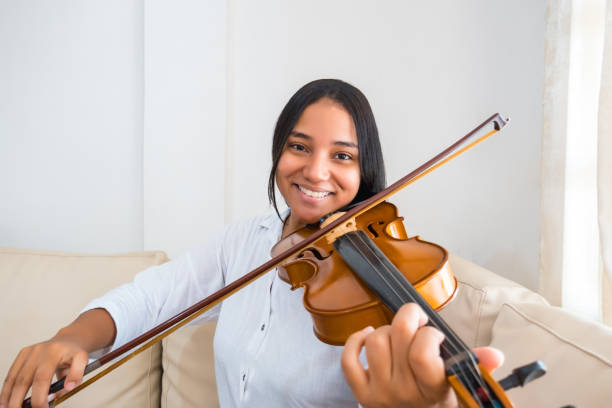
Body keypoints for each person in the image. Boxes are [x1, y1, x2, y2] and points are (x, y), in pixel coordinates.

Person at [0, 79, 502, 408]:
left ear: (365, 170)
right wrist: (71, 338)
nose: (315, 170)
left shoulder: (375, 287)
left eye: (342, 156)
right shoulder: (245, 242)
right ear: (278, 151)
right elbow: (152, 297)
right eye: (299, 147)